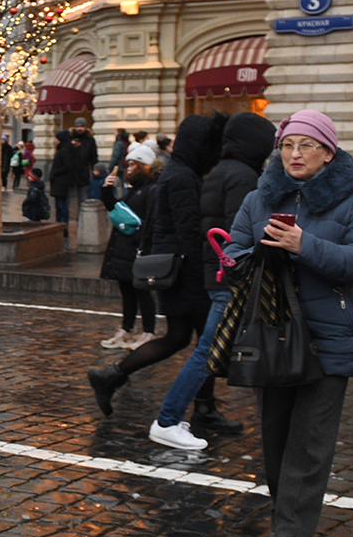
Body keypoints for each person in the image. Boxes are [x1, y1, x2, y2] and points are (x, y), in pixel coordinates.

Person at [221, 110, 353, 537]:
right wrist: (238, 262)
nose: (295, 154)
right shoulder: (259, 198)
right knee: (275, 438)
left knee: (310, 442)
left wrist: (302, 244)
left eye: (307, 146)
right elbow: (233, 247)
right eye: (288, 145)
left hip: (329, 334)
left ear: (328, 154)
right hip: (271, 332)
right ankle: (285, 519)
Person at [146, 111, 276, 451]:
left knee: (229, 349)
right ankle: (168, 420)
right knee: (209, 350)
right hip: (230, 277)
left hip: (218, 273)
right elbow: (241, 230)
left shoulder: (223, 170)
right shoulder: (243, 175)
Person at [87, 114, 226, 420]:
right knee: (204, 343)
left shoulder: (178, 173)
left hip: (179, 271)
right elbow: (188, 231)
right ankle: (202, 409)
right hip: (186, 274)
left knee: (180, 338)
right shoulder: (183, 177)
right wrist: (206, 272)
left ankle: (111, 376)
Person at [96, 142, 158, 351]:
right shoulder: (134, 191)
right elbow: (116, 209)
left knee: (142, 292)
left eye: (133, 165)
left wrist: (141, 243)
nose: (128, 169)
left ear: (143, 166)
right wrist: (106, 189)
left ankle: (148, 331)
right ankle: (126, 329)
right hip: (122, 250)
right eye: (128, 165)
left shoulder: (151, 190)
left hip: (136, 250)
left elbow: (149, 221)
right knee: (127, 292)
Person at [50, 119, 98, 243]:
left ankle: (81, 222)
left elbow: (93, 157)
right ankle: (65, 224)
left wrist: (94, 169)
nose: (80, 128)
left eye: (82, 126)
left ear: (86, 127)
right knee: (66, 200)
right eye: (78, 126)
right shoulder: (70, 140)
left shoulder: (90, 140)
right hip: (70, 177)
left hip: (83, 175)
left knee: (83, 200)